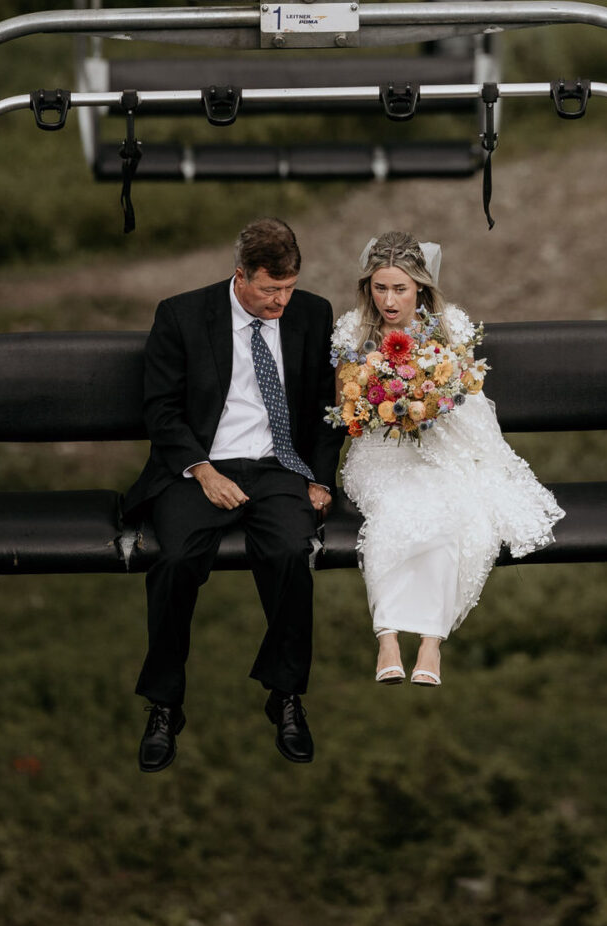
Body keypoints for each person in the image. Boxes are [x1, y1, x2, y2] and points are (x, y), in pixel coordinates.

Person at [122, 217, 336, 771]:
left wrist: (319, 476)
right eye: (269, 289)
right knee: (173, 560)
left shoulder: (312, 313)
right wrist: (202, 470)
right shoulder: (182, 315)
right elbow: (161, 409)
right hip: (201, 465)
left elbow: (324, 407)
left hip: (278, 464)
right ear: (239, 275)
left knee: (291, 552)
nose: (281, 302)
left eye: (288, 288)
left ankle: (285, 695)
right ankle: (165, 703)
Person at [336, 231, 562, 687]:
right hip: (380, 453)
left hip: (441, 446)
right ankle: (387, 638)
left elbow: (469, 404)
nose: (389, 299)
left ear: (420, 285)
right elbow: (346, 406)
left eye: (400, 288)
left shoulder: (450, 326)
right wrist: (375, 396)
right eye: (380, 288)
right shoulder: (352, 331)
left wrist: (427, 398)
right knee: (397, 512)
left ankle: (430, 643)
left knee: (453, 512)